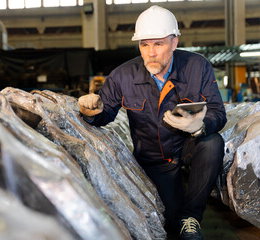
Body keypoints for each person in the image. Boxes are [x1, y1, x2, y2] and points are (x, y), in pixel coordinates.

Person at [78, 5, 226, 240]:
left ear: (174, 43)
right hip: (155, 158)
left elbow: (218, 111)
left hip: (188, 146)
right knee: (170, 225)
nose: (151, 53)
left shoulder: (197, 67)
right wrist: (90, 110)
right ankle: (179, 218)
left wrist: (199, 125)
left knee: (212, 142)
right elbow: (103, 114)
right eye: (144, 45)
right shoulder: (122, 76)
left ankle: (192, 217)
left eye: (158, 44)